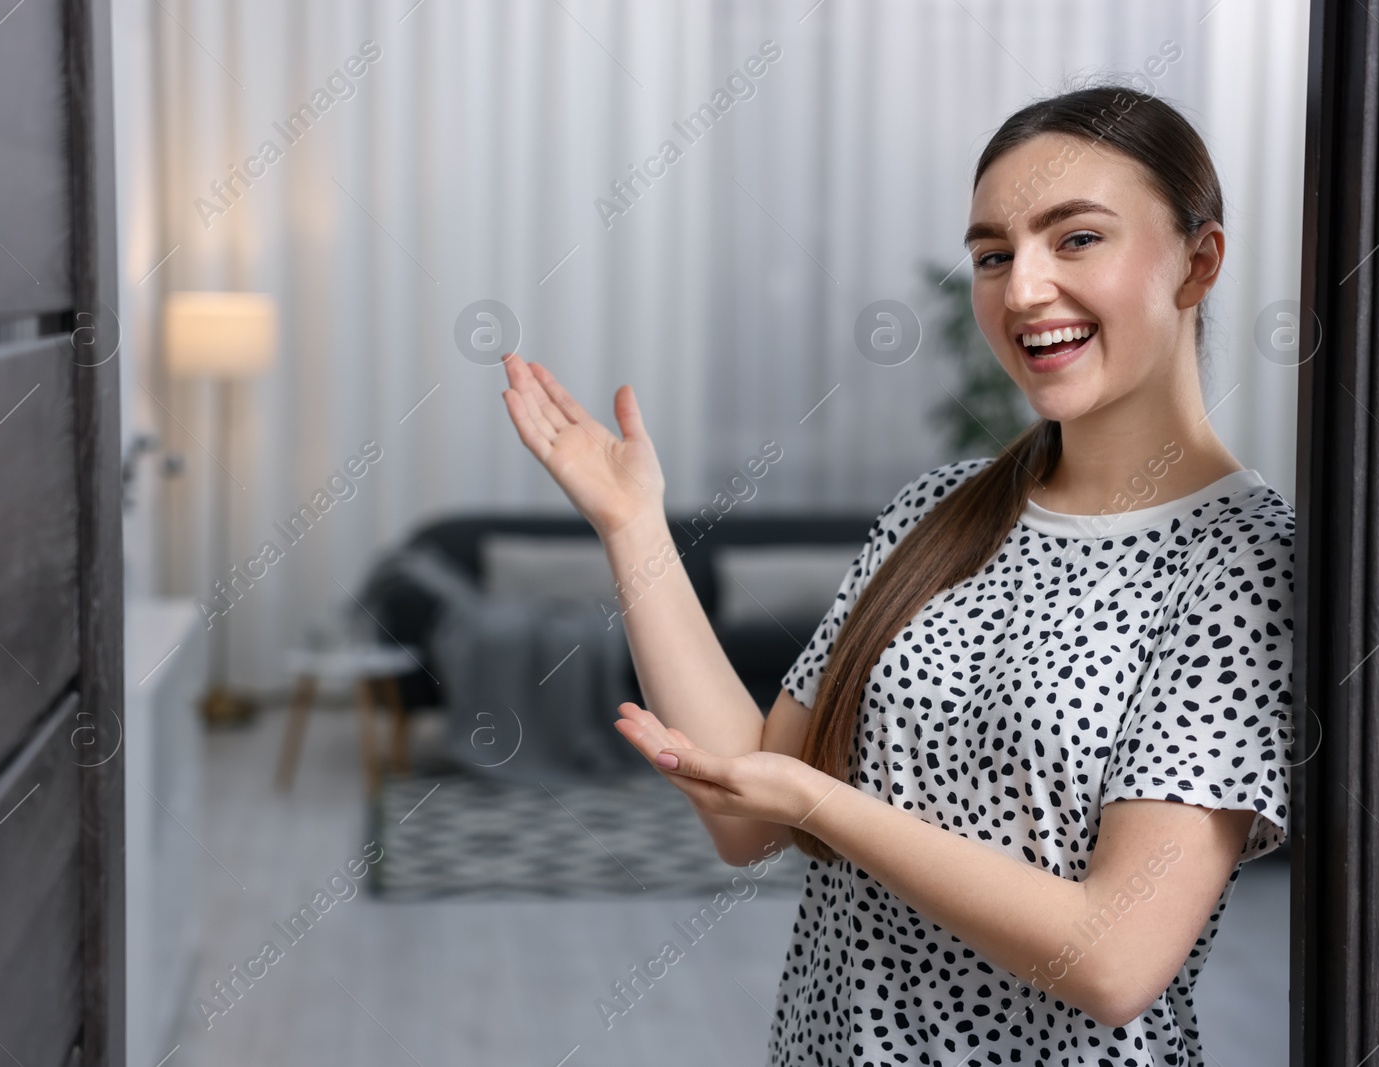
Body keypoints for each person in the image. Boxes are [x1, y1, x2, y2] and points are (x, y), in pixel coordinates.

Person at [499, 82, 1294, 1066]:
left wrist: (820, 804)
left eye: (1075, 238)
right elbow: (748, 812)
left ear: (1195, 261)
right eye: (993, 255)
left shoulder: (1244, 561)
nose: (1023, 289)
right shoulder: (937, 510)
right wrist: (632, 526)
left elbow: (1116, 956)